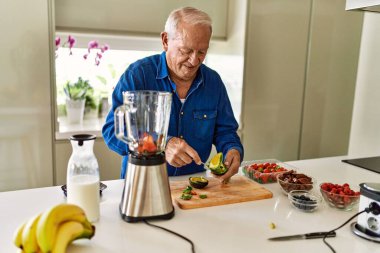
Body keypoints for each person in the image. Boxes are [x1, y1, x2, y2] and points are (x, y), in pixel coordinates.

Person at [102, 6, 244, 183]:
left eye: (202, 52)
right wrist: (160, 145)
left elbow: (226, 131)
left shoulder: (214, 82)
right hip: (142, 183)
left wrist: (233, 150)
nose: (194, 61)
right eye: (186, 51)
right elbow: (112, 131)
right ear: (165, 41)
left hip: (193, 185)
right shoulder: (137, 75)